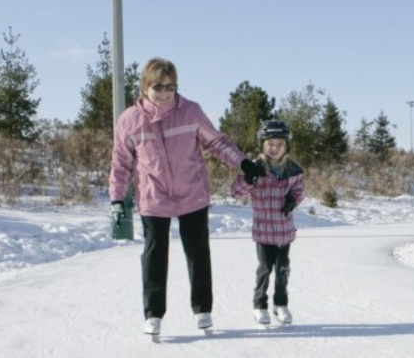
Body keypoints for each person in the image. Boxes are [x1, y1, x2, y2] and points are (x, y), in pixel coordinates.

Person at [109, 57, 261, 336]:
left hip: (192, 192)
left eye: (171, 86)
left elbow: (216, 142)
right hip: (154, 195)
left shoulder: (190, 111)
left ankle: (202, 308)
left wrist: (242, 163)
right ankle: (153, 314)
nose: (166, 92)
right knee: (155, 254)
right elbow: (121, 163)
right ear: (145, 87)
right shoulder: (130, 120)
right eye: (159, 86)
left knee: (197, 251)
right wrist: (117, 198)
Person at [231, 120, 305, 327]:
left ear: (287, 146)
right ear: (262, 145)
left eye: (280, 144)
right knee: (265, 268)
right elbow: (236, 192)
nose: (275, 148)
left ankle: (280, 304)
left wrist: (292, 201)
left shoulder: (293, 170)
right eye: (270, 144)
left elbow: (299, 190)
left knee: (283, 269)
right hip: (264, 231)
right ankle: (259, 305)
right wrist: (248, 180)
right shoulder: (256, 168)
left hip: (284, 230)